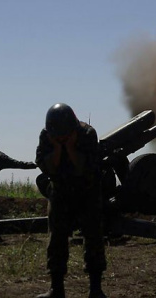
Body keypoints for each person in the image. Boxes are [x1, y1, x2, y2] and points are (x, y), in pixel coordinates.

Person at [35, 103, 107, 298]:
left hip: (87, 192)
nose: (61, 137)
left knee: (93, 237)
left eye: (65, 134)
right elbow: (45, 166)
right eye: (57, 135)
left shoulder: (87, 134)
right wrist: (58, 148)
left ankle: (95, 289)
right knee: (56, 239)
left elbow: (87, 168)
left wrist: (70, 147)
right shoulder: (47, 136)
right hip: (60, 192)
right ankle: (56, 289)